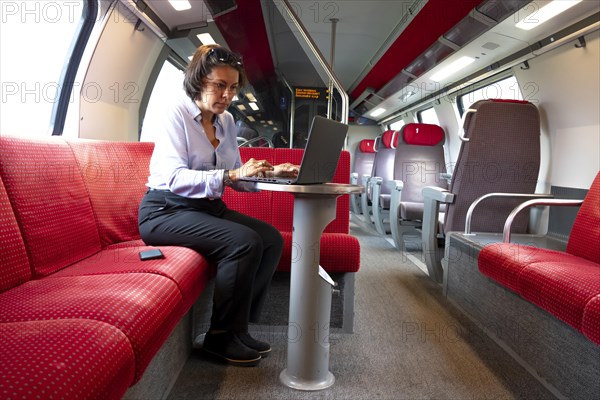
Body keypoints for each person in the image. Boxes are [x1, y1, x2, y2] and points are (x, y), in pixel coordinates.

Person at [138, 44, 298, 367]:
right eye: (220, 86)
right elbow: (173, 178)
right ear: (199, 81)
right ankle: (220, 336)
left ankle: (239, 328)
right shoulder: (175, 115)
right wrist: (230, 174)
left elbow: (236, 178)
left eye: (234, 88)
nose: (227, 95)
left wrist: (270, 172)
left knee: (270, 239)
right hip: (165, 210)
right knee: (243, 242)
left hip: (204, 208)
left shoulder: (226, 123)